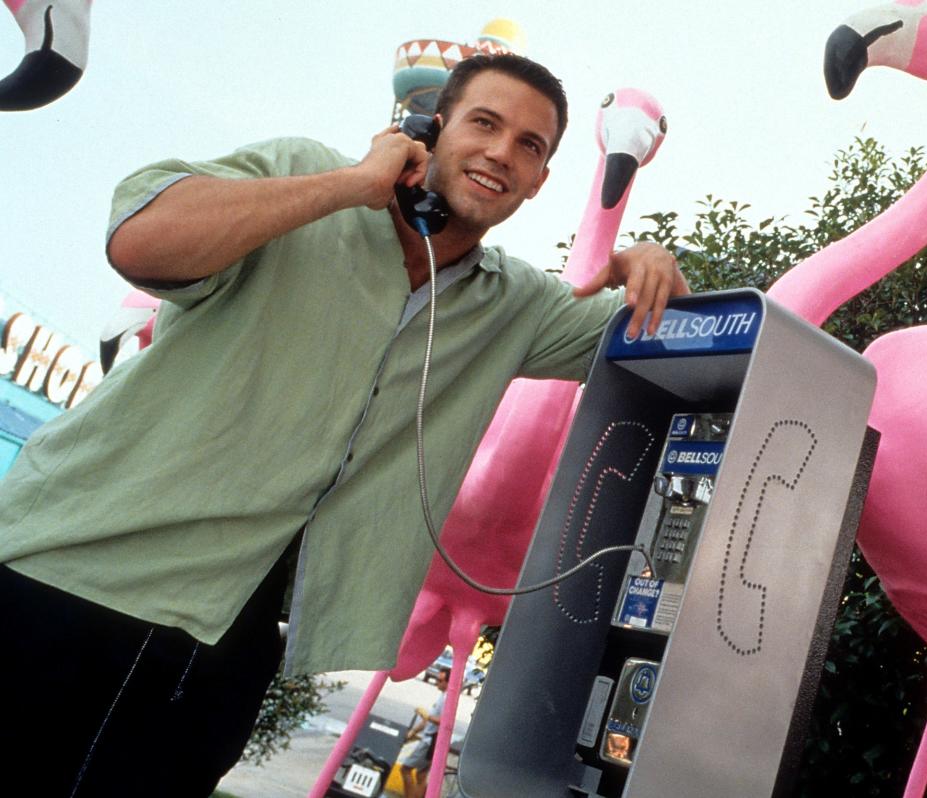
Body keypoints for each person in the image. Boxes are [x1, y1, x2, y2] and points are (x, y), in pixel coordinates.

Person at [0, 53, 687, 796]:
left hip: (220, 641)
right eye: (484, 123)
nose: (501, 152)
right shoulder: (300, 174)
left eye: (530, 145)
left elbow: (662, 349)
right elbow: (138, 240)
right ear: (430, 126)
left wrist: (648, 262)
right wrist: (348, 188)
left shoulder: (515, 306)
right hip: (62, 578)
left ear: (542, 180)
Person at [400, 666, 450, 798]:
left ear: (448, 682)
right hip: (429, 739)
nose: (437, 683)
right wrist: (413, 731)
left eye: (440, 680)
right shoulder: (442, 697)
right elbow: (428, 719)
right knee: (421, 775)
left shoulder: (447, 699)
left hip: (430, 741)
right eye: (437, 680)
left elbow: (444, 721)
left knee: (405, 769)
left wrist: (427, 716)